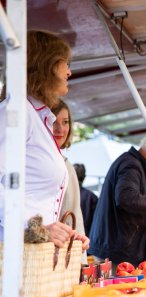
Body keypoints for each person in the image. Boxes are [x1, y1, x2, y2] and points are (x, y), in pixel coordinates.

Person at [0, 30, 89, 250]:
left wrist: (62, 232)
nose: (69, 72)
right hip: (10, 261)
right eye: (65, 63)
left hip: (30, 258)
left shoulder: (36, 116)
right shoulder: (16, 111)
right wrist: (34, 227)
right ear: (46, 65)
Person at [88, 135, 146, 267]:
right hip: (115, 252)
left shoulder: (134, 164)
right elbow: (126, 197)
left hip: (116, 249)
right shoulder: (131, 164)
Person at [51, 100, 86, 239]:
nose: (60, 129)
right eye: (54, 121)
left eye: (65, 122)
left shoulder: (66, 165)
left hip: (59, 249)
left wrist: (80, 255)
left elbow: (74, 214)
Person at [73, 163, 98, 238]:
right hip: (86, 239)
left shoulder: (63, 194)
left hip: (67, 238)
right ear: (84, 177)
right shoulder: (92, 197)